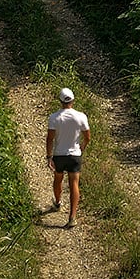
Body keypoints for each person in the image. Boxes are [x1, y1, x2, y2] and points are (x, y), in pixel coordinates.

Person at [46, 86, 90, 229]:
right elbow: (87, 137)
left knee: (58, 179)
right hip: (75, 156)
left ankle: (57, 203)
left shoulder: (54, 117)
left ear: (60, 101)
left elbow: (50, 139)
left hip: (59, 155)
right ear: (73, 100)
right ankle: (72, 217)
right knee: (74, 184)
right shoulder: (81, 116)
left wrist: (49, 156)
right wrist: (81, 147)